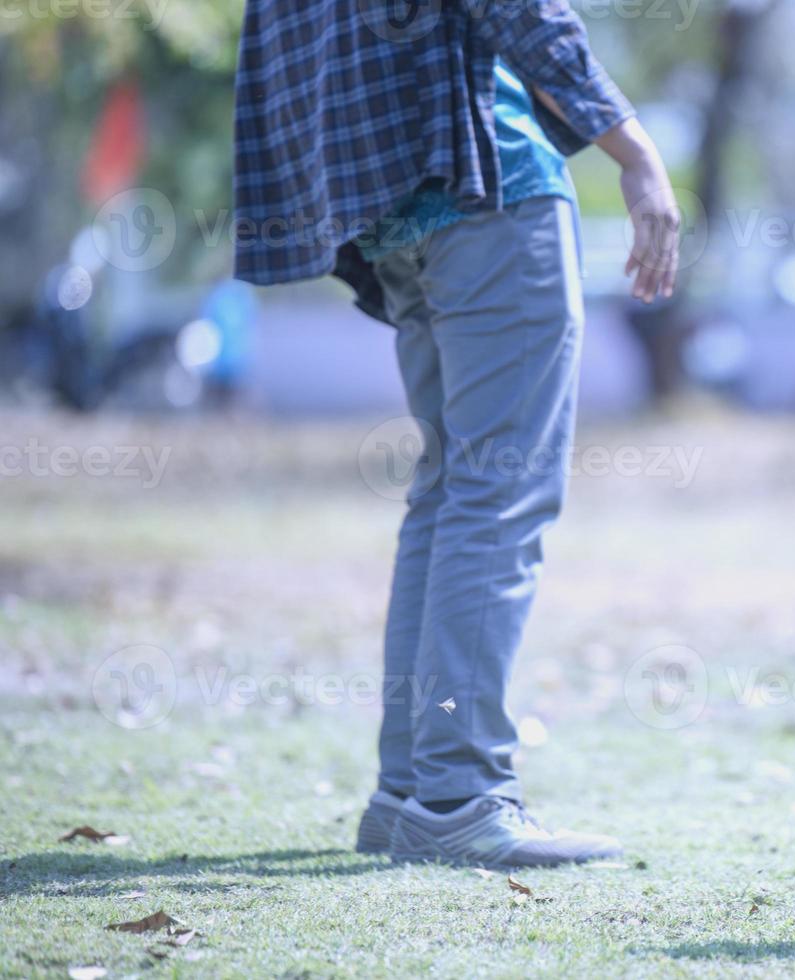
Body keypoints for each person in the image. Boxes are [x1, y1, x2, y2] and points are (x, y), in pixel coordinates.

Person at [232, 0, 680, 868]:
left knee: (446, 496)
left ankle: (411, 791)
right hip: (491, 186)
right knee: (496, 495)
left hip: (395, 212)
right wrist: (635, 149)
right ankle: (460, 793)